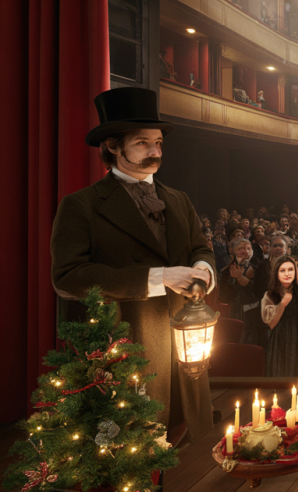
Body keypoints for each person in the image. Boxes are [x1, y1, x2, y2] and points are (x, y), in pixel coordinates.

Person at [50, 87, 215, 438]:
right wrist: (157, 277)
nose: (155, 151)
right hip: (128, 346)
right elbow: (67, 277)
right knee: (134, 453)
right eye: (142, 143)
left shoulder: (179, 199)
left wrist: (204, 272)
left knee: (177, 442)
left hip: (184, 345)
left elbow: (203, 249)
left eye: (158, 143)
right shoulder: (81, 205)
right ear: (112, 145)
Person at [261, 256, 298, 378]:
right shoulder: (270, 294)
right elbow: (272, 324)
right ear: (276, 273)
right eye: (282, 270)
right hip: (281, 342)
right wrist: (283, 304)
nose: (287, 274)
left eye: (290, 270)